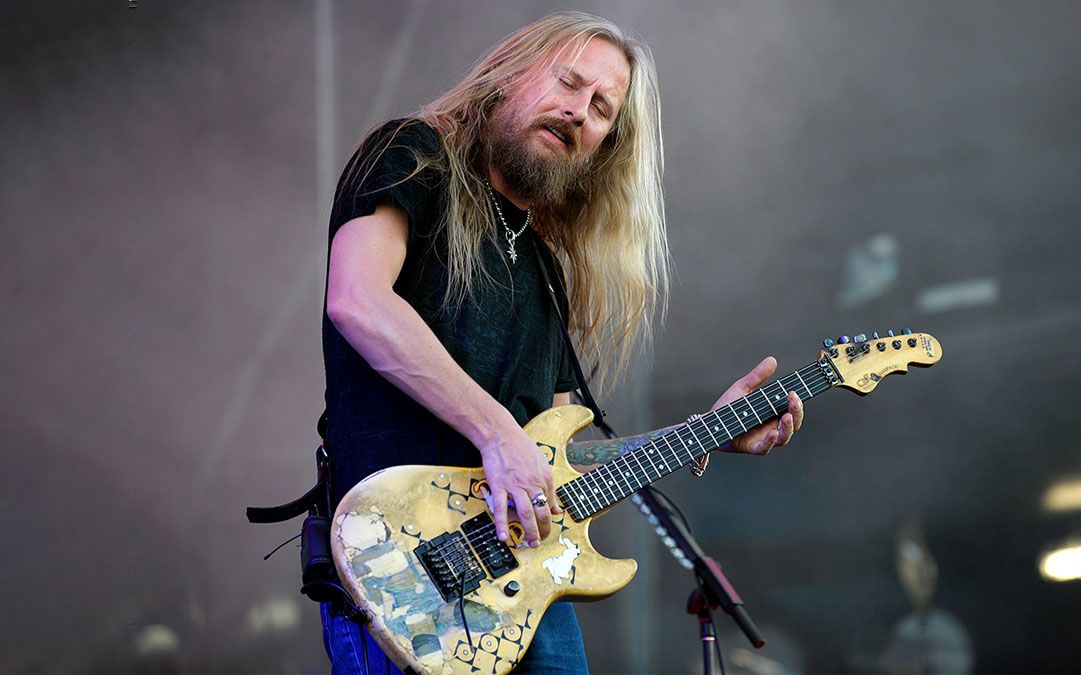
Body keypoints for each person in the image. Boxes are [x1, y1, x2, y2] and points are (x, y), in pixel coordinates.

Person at [319, 11, 804, 674]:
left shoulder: (543, 270)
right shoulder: (413, 154)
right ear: (508, 78)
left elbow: (563, 457)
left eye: (601, 108)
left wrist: (707, 431)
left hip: (523, 575)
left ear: (604, 145)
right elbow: (358, 300)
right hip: (400, 557)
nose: (579, 111)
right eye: (569, 83)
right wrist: (496, 433)